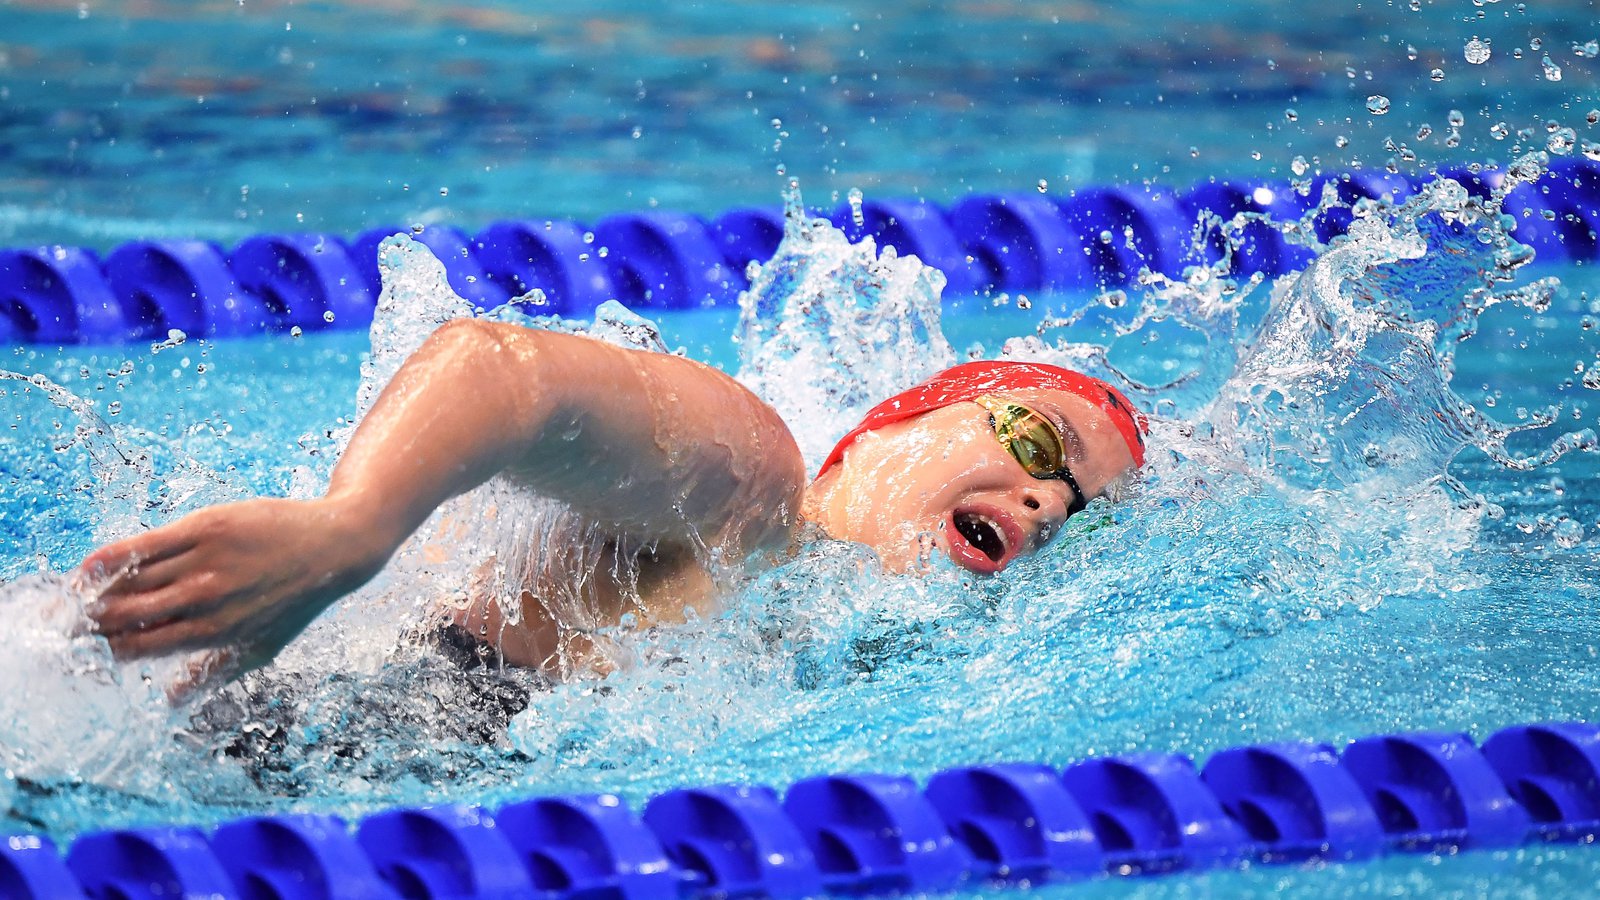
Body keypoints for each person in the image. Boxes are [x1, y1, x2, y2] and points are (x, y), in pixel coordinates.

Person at [80, 318, 1148, 682]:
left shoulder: (840, 641)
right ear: (894, 422)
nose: (1047, 502)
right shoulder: (751, 493)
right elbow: (499, 370)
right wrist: (346, 531)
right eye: (1034, 442)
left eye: (1074, 502)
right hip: (229, 715)